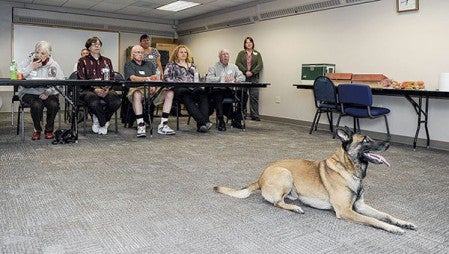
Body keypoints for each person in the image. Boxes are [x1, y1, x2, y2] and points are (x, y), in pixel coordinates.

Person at [124, 45, 176, 137]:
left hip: (152, 89)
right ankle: (140, 124)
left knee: (170, 93)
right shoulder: (129, 65)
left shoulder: (150, 64)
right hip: (137, 89)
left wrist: (154, 85)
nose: (140, 54)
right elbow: (133, 78)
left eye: (142, 52)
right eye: (138, 52)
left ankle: (163, 124)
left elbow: (155, 77)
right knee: (136, 94)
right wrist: (148, 79)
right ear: (132, 55)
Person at [18, 41, 64, 140]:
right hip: (29, 92)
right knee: (37, 105)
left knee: (54, 105)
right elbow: (18, 76)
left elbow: (59, 83)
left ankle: (49, 130)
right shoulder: (28, 61)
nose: (39, 55)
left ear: (49, 55)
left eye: (43, 53)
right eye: (37, 52)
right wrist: (30, 67)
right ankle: (37, 130)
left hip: (47, 92)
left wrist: (49, 91)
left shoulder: (53, 65)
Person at [77, 36, 121, 135]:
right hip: (88, 89)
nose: (97, 46)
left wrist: (107, 88)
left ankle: (99, 118)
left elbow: (112, 77)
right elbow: (81, 78)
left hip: (105, 89)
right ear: (89, 47)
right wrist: (94, 89)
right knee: (93, 101)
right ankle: (103, 123)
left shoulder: (107, 61)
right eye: (94, 44)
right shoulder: (82, 61)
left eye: (98, 44)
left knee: (116, 101)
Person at [164, 45, 212, 133]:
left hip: (192, 88)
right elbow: (167, 78)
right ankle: (204, 122)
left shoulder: (192, 66)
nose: (183, 54)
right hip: (179, 89)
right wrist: (181, 81)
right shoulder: (171, 65)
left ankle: (201, 125)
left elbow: (197, 78)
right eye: (181, 52)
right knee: (186, 94)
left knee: (202, 93)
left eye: (185, 52)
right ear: (176, 54)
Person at [206, 49, 245, 131]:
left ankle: (236, 119)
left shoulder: (233, 67)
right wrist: (221, 78)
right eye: (223, 54)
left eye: (227, 54)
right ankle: (221, 121)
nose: (225, 56)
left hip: (229, 90)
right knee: (218, 95)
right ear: (219, 57)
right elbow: (208, 79)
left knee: (244, 95)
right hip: (218, 90)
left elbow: (243, 77)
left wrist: (235, 79)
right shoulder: (213, 67)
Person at [235, 36, 263, 121]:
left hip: (254, 78)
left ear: (253, 43)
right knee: (242, 96)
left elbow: (260, 65)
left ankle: (255, 115)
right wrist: (245, 71)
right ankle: (242, 114)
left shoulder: (257, 54)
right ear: (244, 44)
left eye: (250, 42)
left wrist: (252, 72)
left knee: (254, 97)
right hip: (243, 78)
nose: (249, 44)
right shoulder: (241, 53)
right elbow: (237, 63)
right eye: (247, 42)